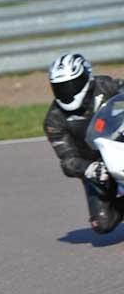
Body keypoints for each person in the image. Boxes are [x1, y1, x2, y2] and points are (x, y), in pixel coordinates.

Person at [44, 53, 124, 234]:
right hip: (96, 167)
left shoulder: (105, 85)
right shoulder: (54, 120)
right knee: (102, 223)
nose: (67, 91)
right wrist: (89, 168)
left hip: (120, 145)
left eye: (72, 84)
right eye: (60, 87)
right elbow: (68, 161)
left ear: (87, 78)